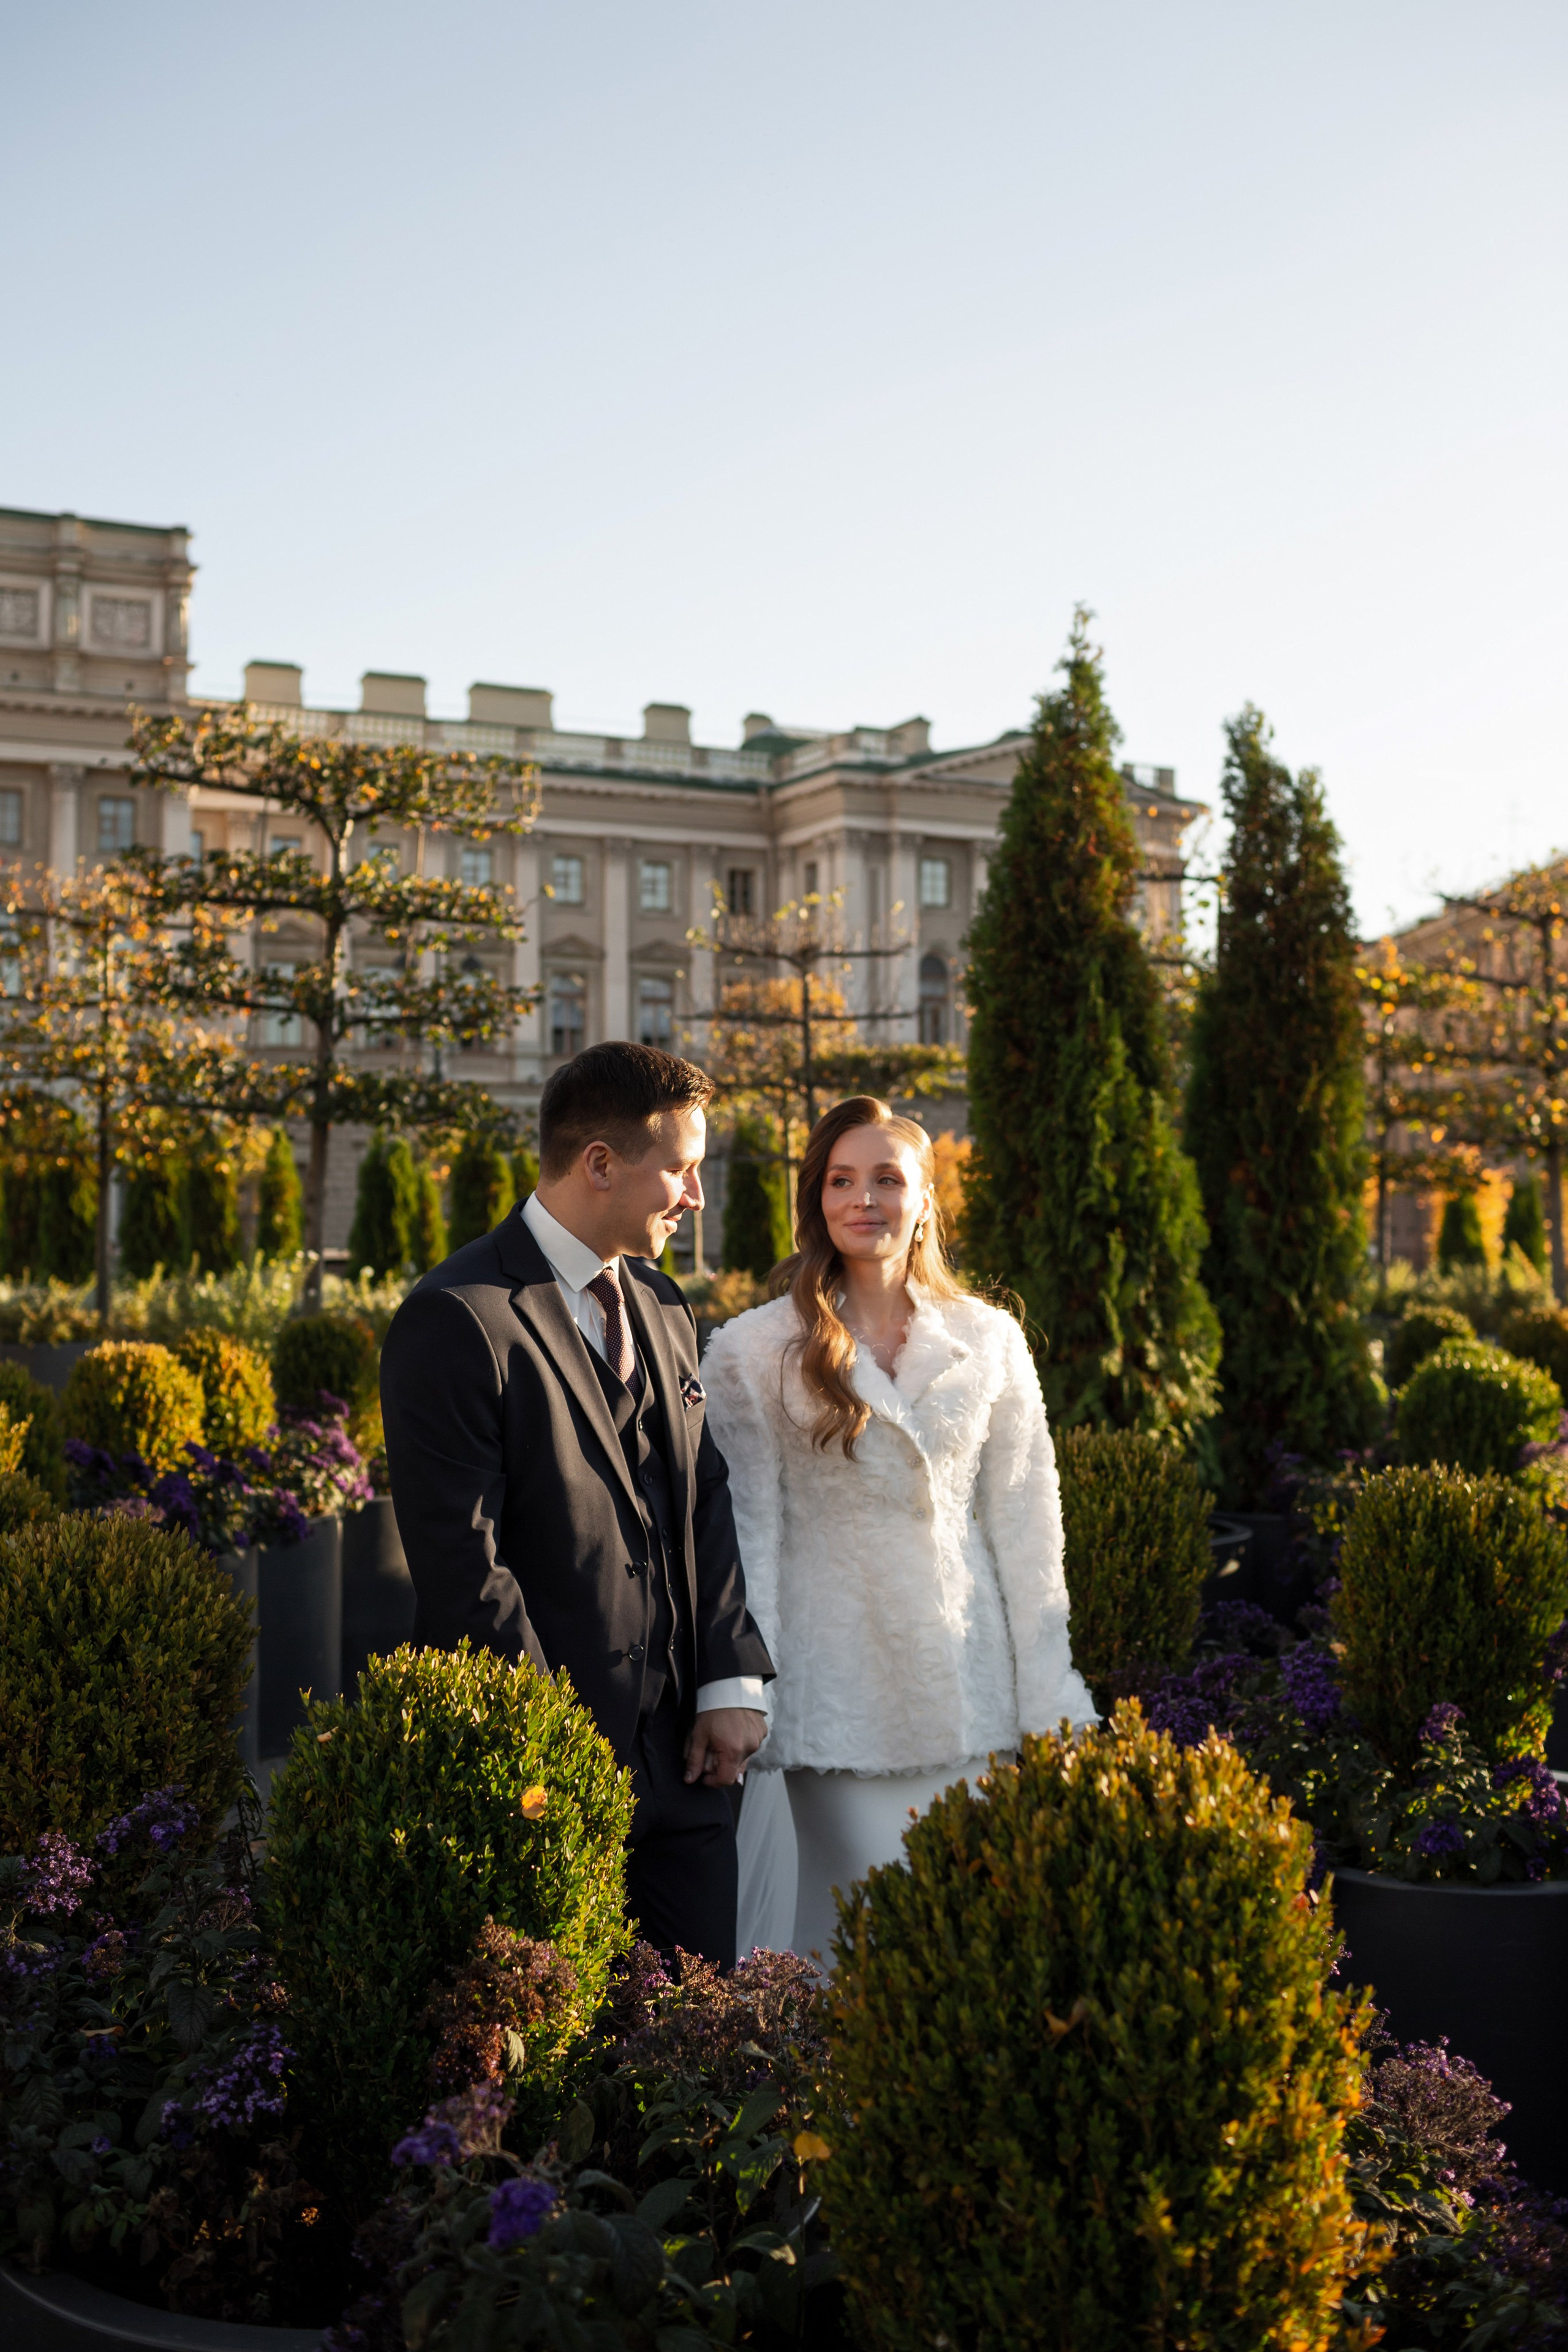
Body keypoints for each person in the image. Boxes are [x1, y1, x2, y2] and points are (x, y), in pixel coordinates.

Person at [379, 1041, 775, 1968]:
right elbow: (465, 1572)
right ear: (600, 1163)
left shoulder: (664, 1305)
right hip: (542, 1781)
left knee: (699, 2035)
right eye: (681, 1169)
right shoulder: (458, 1316)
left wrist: (727, 1683)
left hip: (687, 1769)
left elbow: (702, 1497)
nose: (697, 1196)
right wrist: (556, 1752)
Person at [699, 1095, 1095, 1965]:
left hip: (971, 1697)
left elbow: (1029, 1526)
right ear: (817, 1199)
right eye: (842, 1180)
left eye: (887, 1179)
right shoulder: (753, 1350)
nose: (864, 1199)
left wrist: (1050, 1698)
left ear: (924, 1200)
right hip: (832, 1700)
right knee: (852, 1943)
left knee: (963, 1945)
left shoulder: (989, 1340)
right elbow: (746, 1536)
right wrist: (743, 1693)